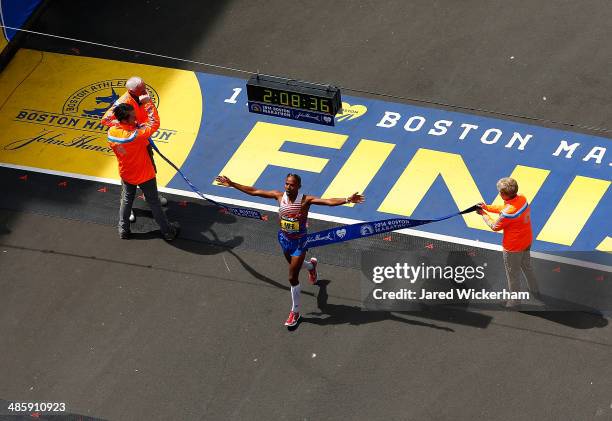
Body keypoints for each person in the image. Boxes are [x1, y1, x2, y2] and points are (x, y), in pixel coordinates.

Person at [215, 173, 365, 327]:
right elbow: (254, 191)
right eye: (286, 183)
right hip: (284, 239)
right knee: (295, 266)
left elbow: (328, 201)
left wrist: (347, 200)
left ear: (298, 186)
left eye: (292, 184)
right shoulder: (279, 196)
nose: (288, 187)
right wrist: (232, 183)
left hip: (300, 243)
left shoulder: (306, 200)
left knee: (292, 277)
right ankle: (312, 266)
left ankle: (295, 312)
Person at [107, 98, 179, 241]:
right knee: (154, 203)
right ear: (126, 120)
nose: (135, 118)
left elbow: (110, 121)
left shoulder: (112, 132)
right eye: (133, 116)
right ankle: (168, 231)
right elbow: (155, 124)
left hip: (126, 172)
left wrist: (132, 124)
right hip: (145, 174)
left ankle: (123, 229)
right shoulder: (136, 135)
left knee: (126, 199)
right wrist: (147, 103)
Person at [101, 76, 167, 222]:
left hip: (141, 139)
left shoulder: (142, 96)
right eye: (141, 89)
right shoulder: (123, 103)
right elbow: (105, 120)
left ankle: (152, 194)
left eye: (145, 87)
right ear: (131, 91)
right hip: (129, 142)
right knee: (128, 173)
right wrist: (129, 127)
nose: (145, 91)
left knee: (150, 167)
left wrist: (137, 127)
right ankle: (127, 207)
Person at [477, 177, 540, 307]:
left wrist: (483, 213)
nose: (499, 194)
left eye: (500, 192)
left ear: (503, 194)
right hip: (527, 240)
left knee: (513, 275)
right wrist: (487, 207)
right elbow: (505, 207)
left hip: (513, 248)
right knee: (527, 266)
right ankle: (535, 290)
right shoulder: (522, 199)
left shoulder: (507, 214)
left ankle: (514, 301)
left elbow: (495, 226)